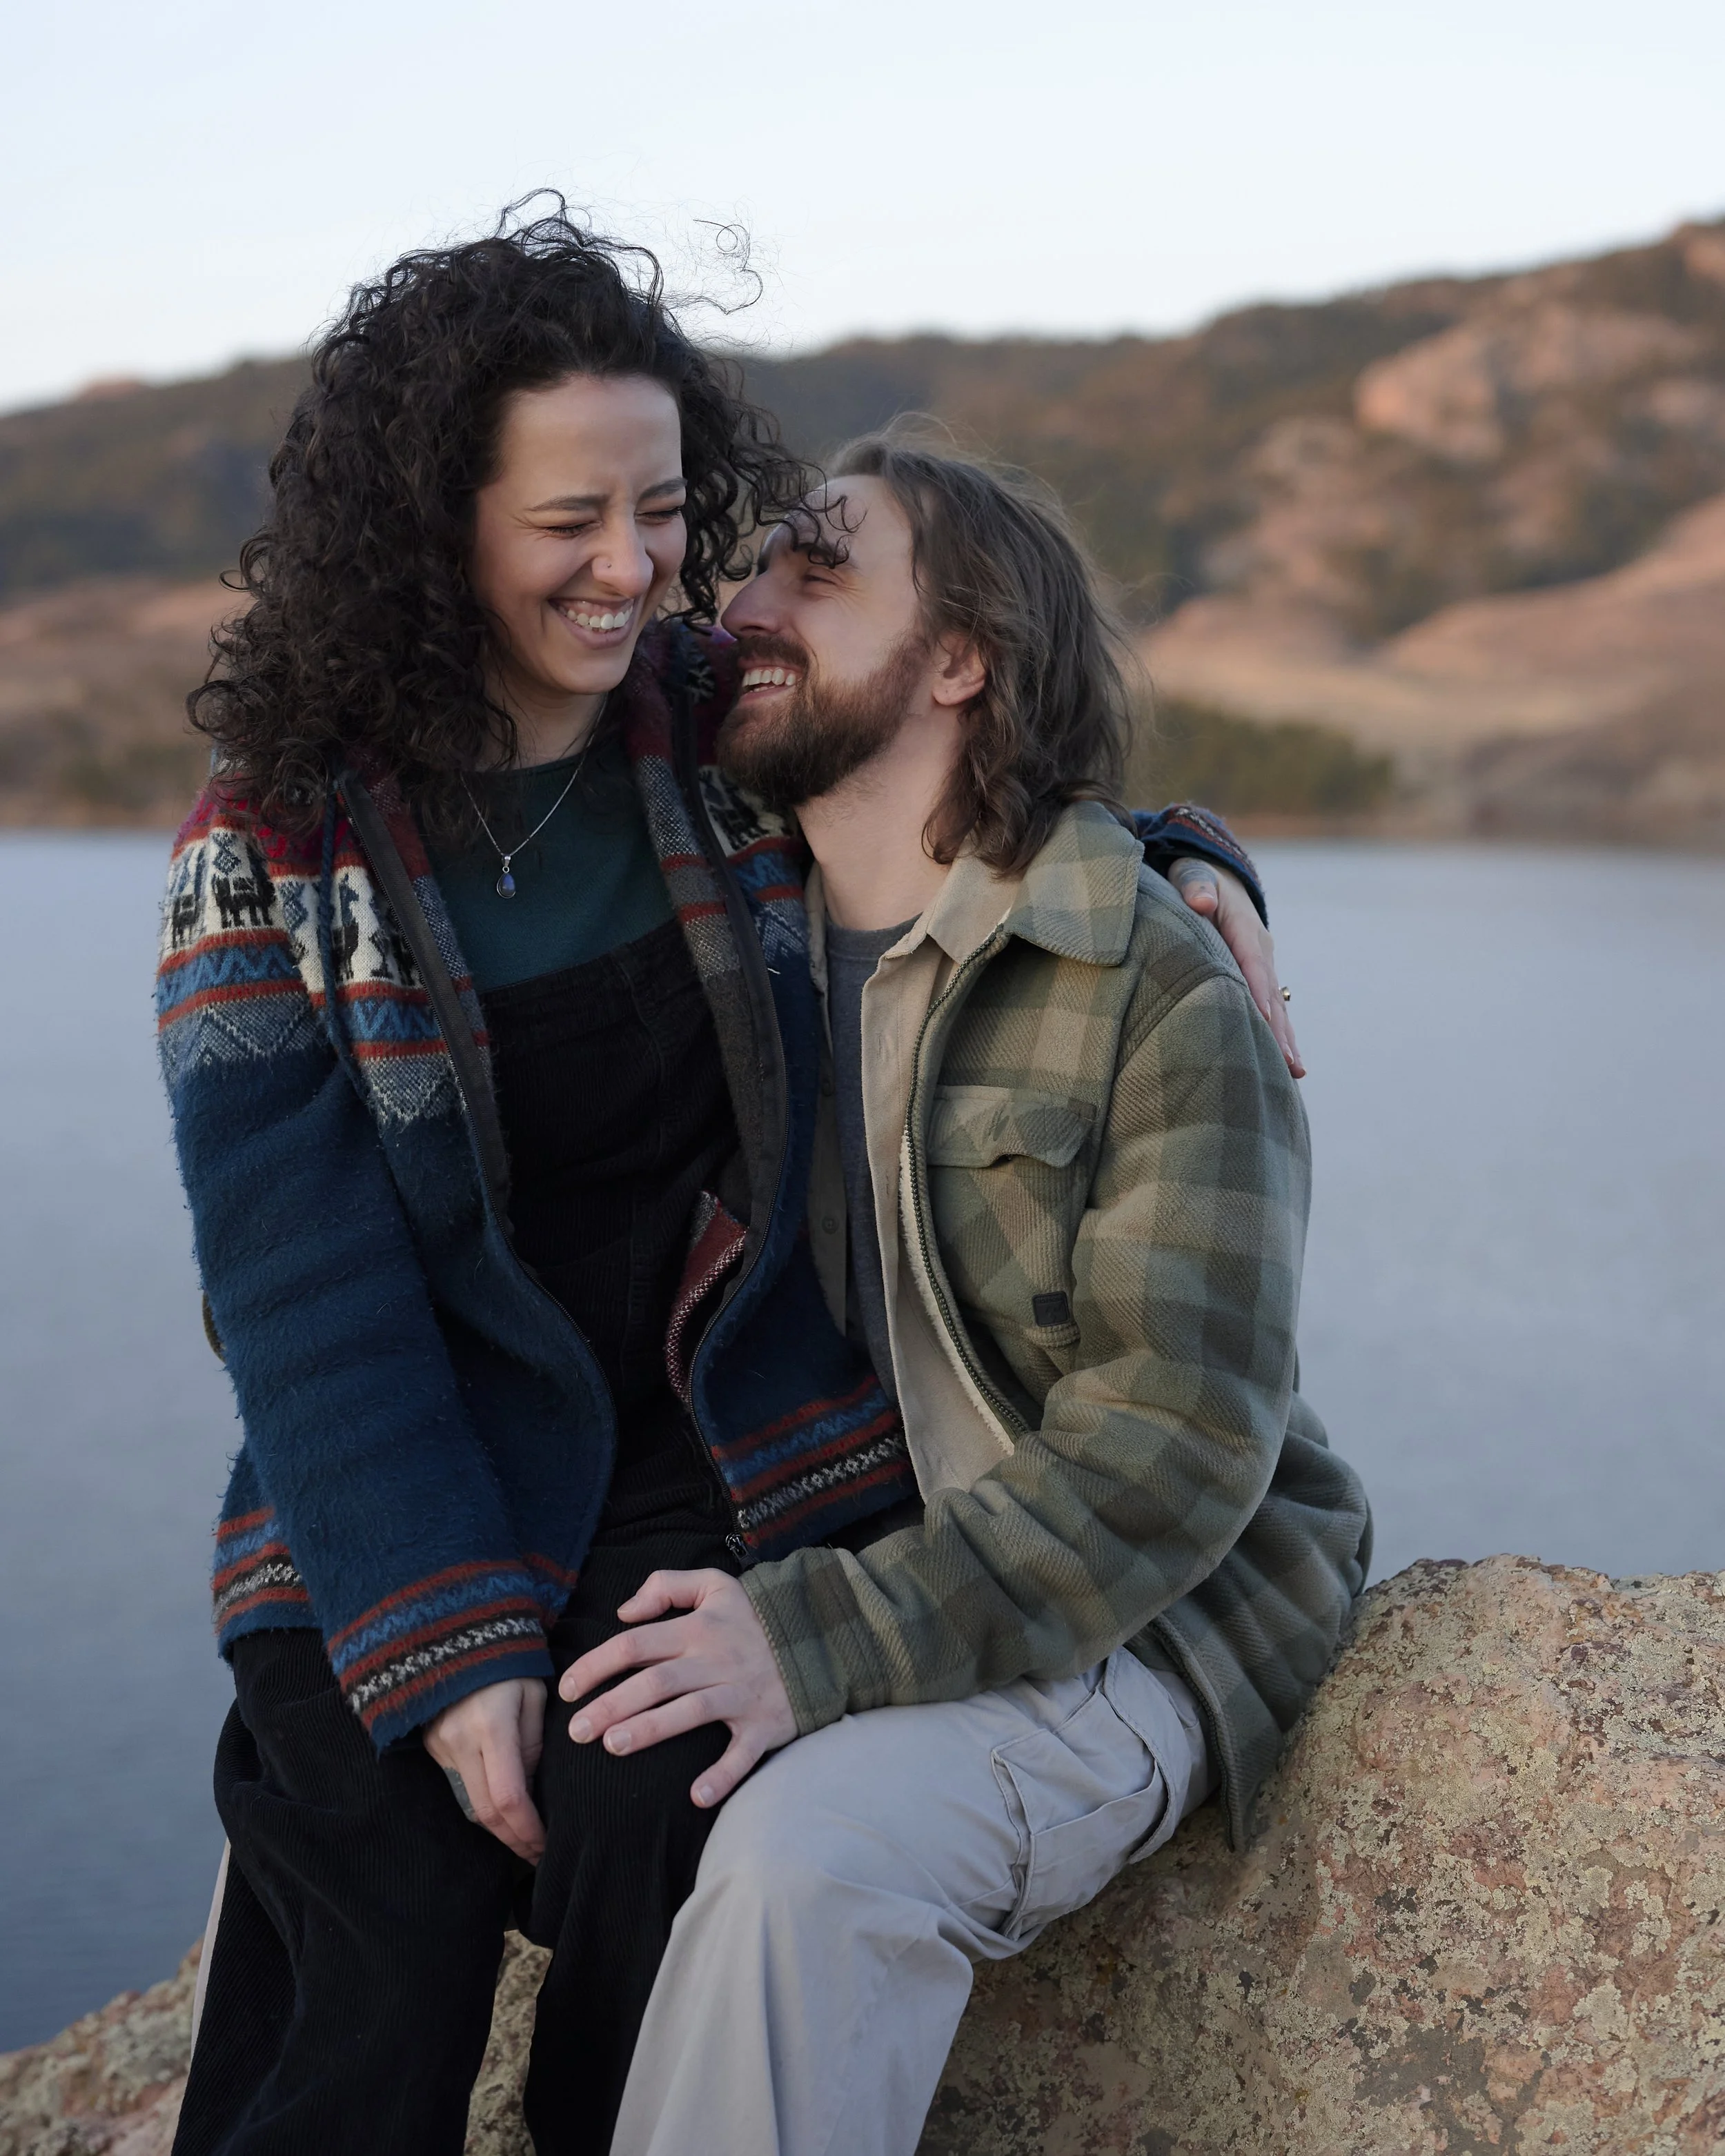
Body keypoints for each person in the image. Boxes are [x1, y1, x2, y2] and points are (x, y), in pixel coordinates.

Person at [157, 208, 1282, 2156]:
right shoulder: (268, 847)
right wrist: (442, 1649)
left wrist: (1188, 856)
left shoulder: (698, 725)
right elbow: (300, 1286)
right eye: (567, 522)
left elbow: (957, 756)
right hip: (406, 1458)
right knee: (391, 1892)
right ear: (437, 528)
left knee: (650, 1809)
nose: (635, 569)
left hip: (715, 1452)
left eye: (665, 510)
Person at [549, 435, 1374, 2156]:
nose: (741, 607)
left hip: (1137, 1613)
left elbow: (1171, 1452)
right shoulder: (725, 922)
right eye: (753, 563)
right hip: (875, 1556)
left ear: (957, 657)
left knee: (805, 1866)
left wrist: (814, 1641)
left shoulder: (1150, 978)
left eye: (815, 571)